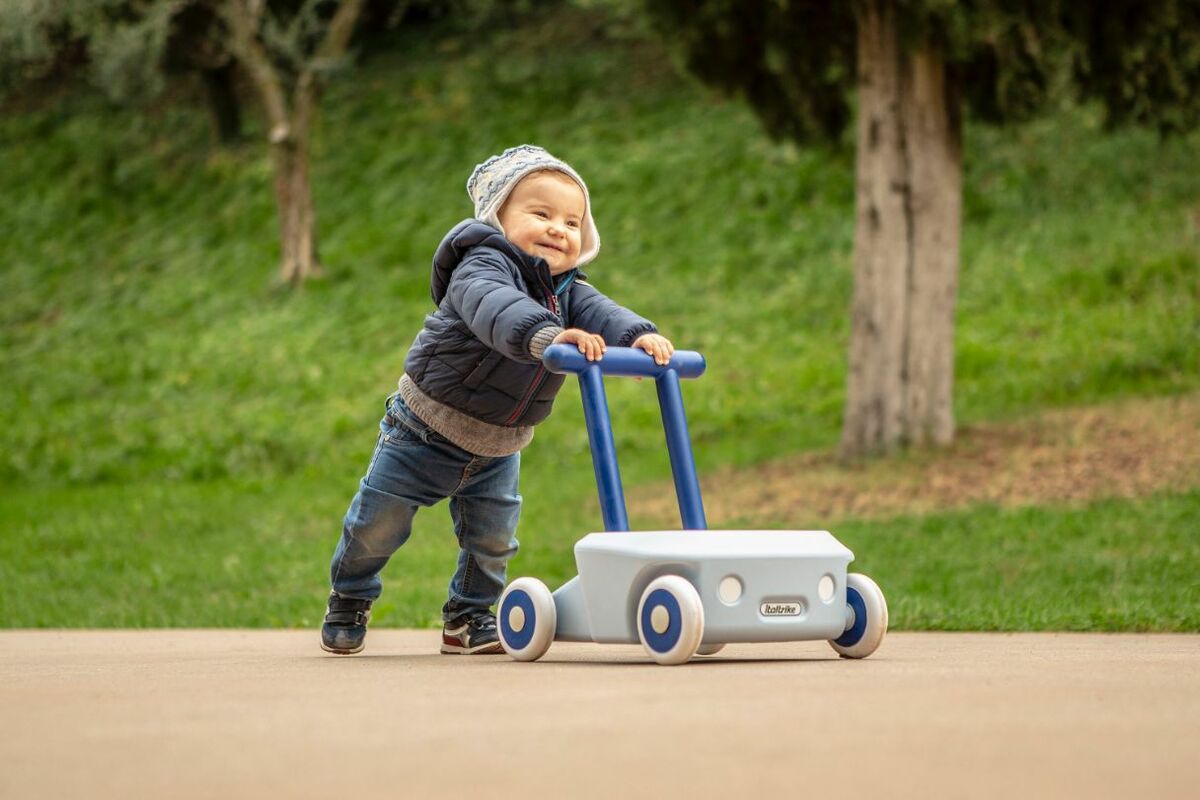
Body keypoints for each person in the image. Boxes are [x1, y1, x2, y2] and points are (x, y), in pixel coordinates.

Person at [321, 145, 674, 655]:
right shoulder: (480, 267)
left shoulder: (567, 288)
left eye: (573, 222)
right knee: (378, 525)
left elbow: (602, 313)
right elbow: (497, 309)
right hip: (424, 430)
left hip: (499, 444)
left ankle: (468, 617)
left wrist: (637, 337)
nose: (559, 229)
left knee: (492, 541)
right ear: (498, 216)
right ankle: (349, 596)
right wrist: (547, 335)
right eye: (541, 214)